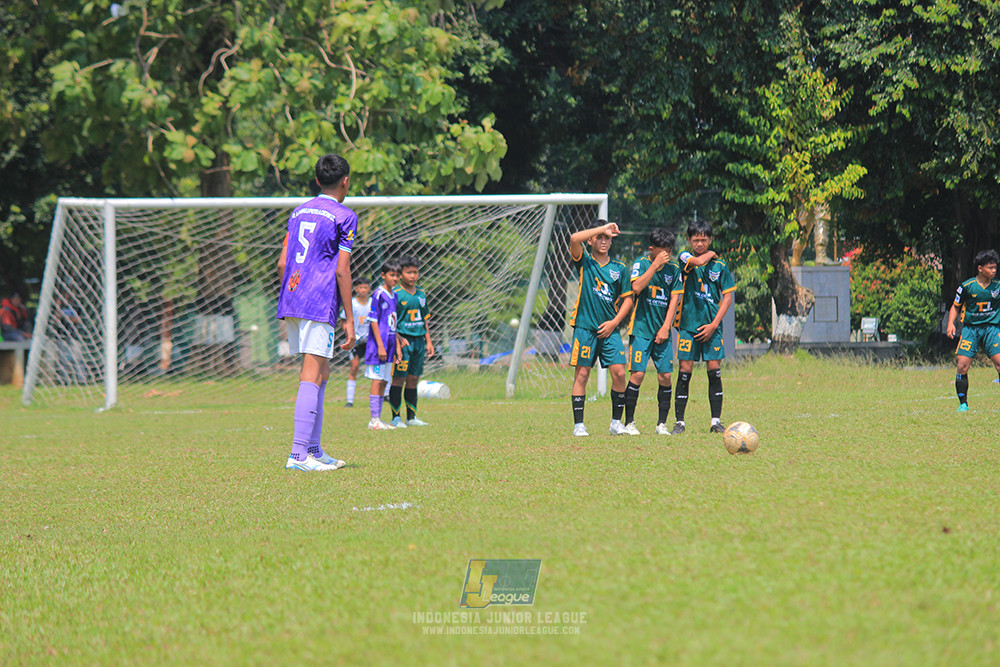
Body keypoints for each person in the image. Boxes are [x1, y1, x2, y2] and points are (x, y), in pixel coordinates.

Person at [276, 153, 357, 472]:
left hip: (292, 296)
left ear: (318, 179)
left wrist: (290, 295)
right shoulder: (344, 215)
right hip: (318, 299)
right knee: (312, 374)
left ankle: (313, 449)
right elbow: (342, 271)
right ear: (345, 181)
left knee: (321, 373)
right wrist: (350, 319)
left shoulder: (298, 211)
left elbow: (283, 263)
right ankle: (298, 456)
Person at [568, 220, 634, 436]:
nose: (604, 241)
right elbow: (573, 238)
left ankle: (616, 422)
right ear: (591, 239)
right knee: (583, 374)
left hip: (610, 330)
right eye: (600, 237)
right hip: (585, 329)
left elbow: (628, 301)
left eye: (607, 238)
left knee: (619, 373)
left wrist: (614, 323)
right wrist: (602, 228)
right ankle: (579, 425)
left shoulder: (620, 269)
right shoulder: (584, 262)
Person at [669, 219, 736, 435]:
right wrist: (711, 253)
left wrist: (714, 324)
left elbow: (727, 297)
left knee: (714, 373)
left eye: (704, 240)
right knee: (685, 372)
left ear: (710, 239)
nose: (700, 243)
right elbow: (697, 262)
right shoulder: (684, 258)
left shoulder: (721, 267)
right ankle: (680, 422)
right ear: (689, 240)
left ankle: (715, 421)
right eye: (696, 240)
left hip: (712, 328)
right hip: (688, 326)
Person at [623, 229, 683, 435]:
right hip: (641, 329)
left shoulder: (674, 269)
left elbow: (674, 300)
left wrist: (666, 327)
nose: (667, 254)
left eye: (669, 250)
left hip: (662, 331)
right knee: (638, 374)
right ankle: (629, 422)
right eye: (663, 250)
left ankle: (661, 424)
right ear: (652, 249)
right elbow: (637, 287)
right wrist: (655, 266)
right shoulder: (641, 264)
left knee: (665, 376)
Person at [945, 249, 1000, 412]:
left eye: (995, 268)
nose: (994, 271)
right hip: (971, 330)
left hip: (991, 329)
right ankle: (963, 404)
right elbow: (955, 306)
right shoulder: (967, 286)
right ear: (980, 268)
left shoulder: (997, 287)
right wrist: (950, 324)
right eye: (990, 268)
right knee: (962, 365)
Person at [389, 255, 435, 428]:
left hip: (419, 341)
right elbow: (391, 320)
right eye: (409, 272)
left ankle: (411, 417)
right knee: (399, 379)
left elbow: (425, 319)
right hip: (403, 342)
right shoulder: (396, 294)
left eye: (415, 272)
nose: (413, 276)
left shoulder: (421, 294)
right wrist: (397, 339)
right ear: (401, 274)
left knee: (413, 379)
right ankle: (395, 418)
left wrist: (429, 341)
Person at [365, 261, 402, 429]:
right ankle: (373, 420)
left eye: (397, 275)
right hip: (378, 345)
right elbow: (373, 320)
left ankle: (378, 419)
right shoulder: (378, 294)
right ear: (383, 275)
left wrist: (397, 347)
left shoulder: (395, 295)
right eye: (392, 275)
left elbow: (393, 323)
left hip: (391, 344)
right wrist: (380, 345)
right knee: (377, 380)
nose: (395, 278)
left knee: (385, 381)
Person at [342, 276, 372, 407]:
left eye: (365, 287)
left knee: (378, 367)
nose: (363, 290)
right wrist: (349, 332)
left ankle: (384, 394)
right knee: (354, 368)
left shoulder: (373, 303)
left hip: (371, 341)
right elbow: (343, 321)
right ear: (356, 289)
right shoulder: (352, 303)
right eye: (361, 287)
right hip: (357, 341)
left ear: (369, 289)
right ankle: (350, 401)